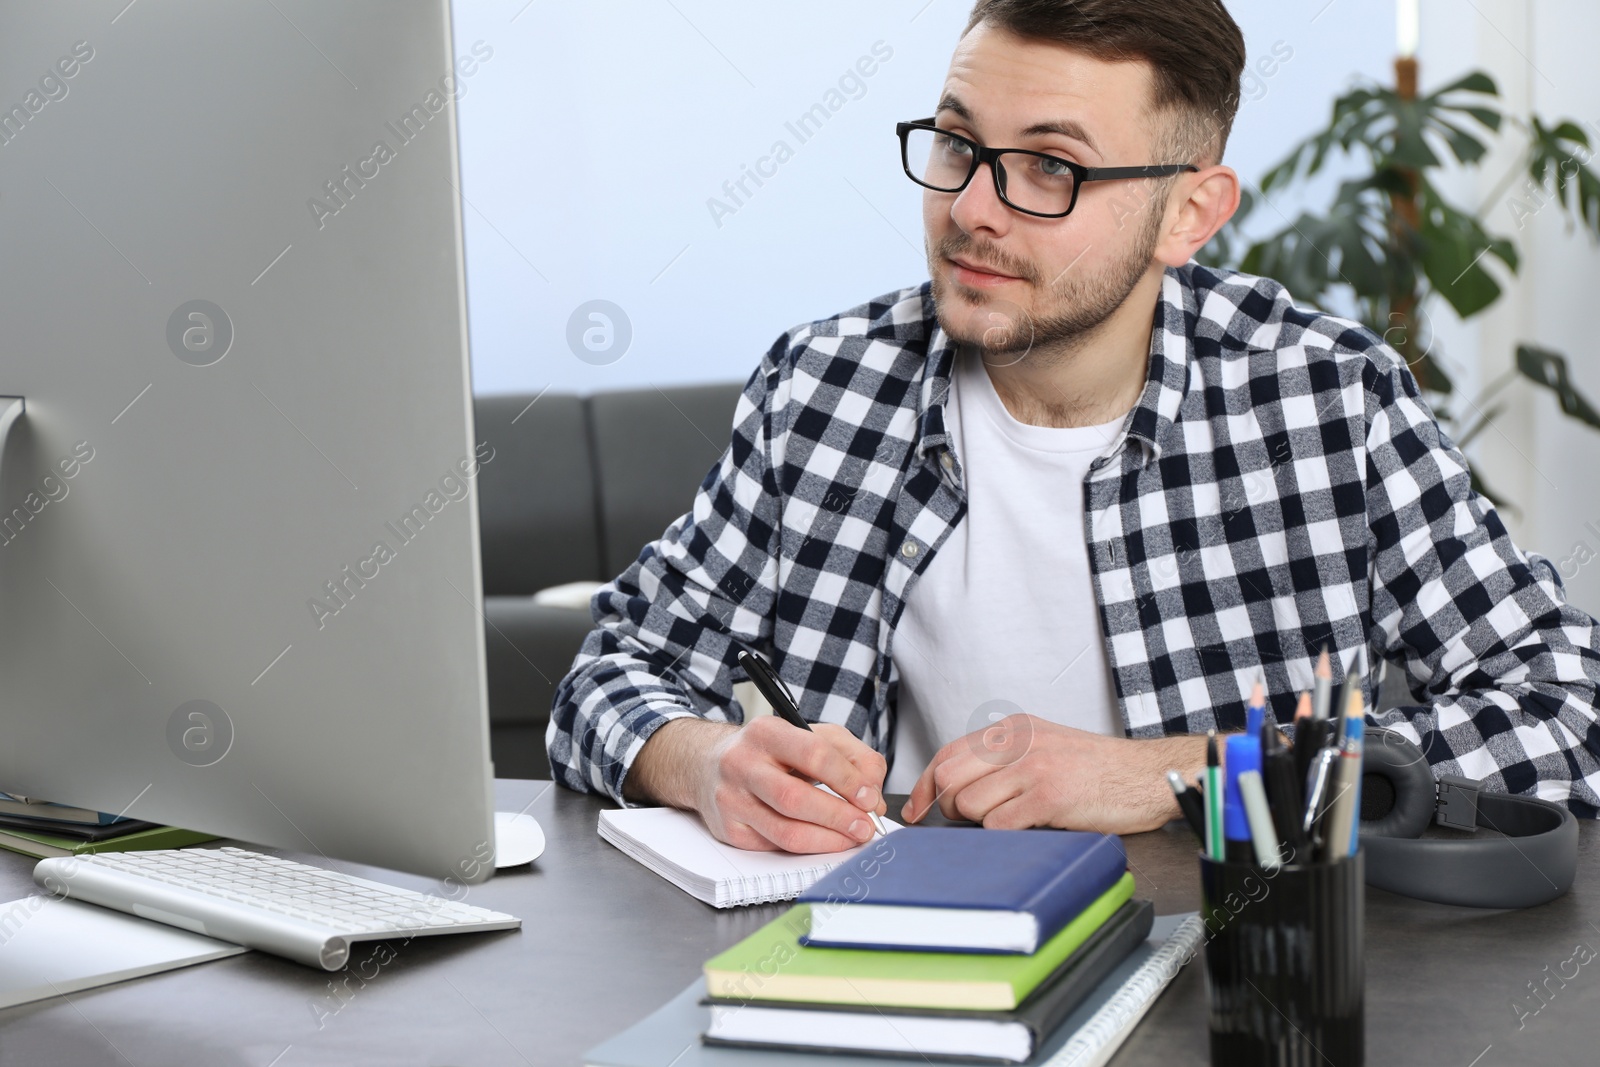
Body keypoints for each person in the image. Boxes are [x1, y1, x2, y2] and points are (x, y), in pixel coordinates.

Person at [548, 0, 1600, 853]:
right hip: (877, 973)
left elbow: (1567, 709)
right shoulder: (821, 387)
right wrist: (704, 759)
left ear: (1189, 212)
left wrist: (1179, 774)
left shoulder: (1329, 403)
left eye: (1051, 166)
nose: (971, 209)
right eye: (957, 142)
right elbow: (612, 666)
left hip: (1224, 983)